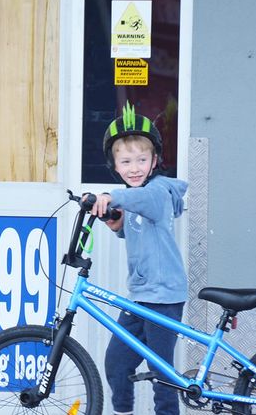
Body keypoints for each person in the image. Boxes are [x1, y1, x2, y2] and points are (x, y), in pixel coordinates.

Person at [89, 101, 188, 415]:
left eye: (141, 160)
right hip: (141, 296)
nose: (134, 168)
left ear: (154, 160)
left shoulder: (157, 191)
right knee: (118, 362)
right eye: (126, 161)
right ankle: (123, 411)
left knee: (164, 375)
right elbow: (137, 227)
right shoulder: (134, 197)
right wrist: (117, 225)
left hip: (164, 295)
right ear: (115, 166)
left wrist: (108, 196)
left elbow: (142, 200)